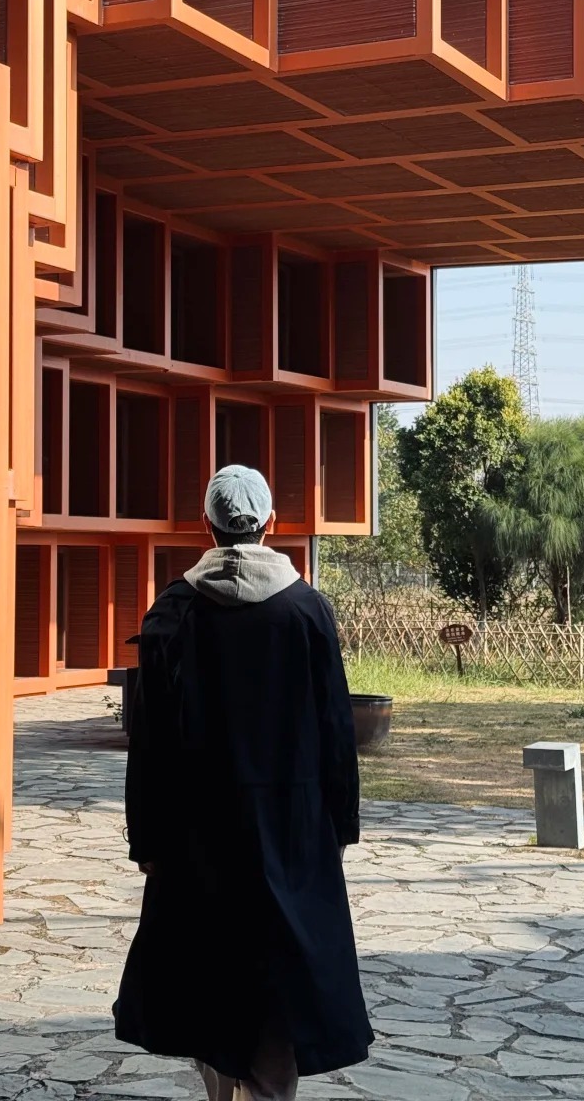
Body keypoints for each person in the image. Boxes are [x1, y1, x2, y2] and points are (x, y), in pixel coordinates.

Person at [113, 465, 373, 1101]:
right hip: (292, 828)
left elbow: (148, 742)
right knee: (281, 973)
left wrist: (147, 838)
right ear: (270, 525)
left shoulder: (174, 611)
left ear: (206, 526)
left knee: (207, 974)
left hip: (197, 833)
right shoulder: (306, 610)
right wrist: (340, 825)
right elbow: (335, 728)